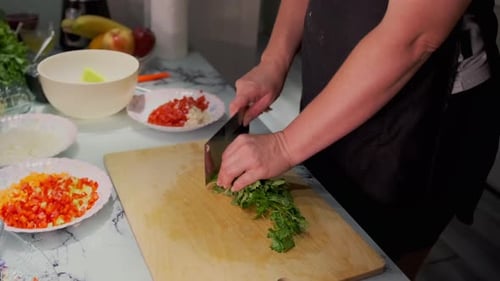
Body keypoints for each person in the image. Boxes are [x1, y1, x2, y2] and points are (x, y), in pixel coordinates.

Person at [216, 0, 500, 279]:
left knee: (377, 259)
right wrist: (273, 62)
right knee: (325, 232)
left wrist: (285, 145)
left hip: (423, 115)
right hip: (342, 82)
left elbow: (414, 38)